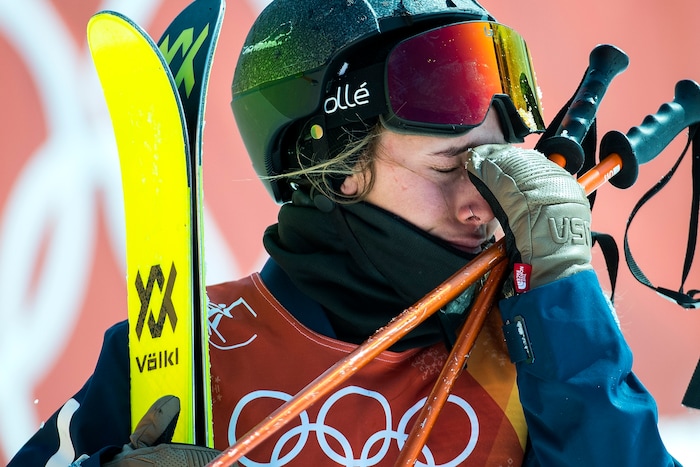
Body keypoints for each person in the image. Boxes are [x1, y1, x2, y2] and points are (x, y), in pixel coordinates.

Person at [9, 0, 681, 465]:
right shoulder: (185, 346)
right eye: (454, 165)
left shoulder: (540, 351)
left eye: (508, 171)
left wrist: (564, 289)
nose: (489, 205)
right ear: (336, 169)